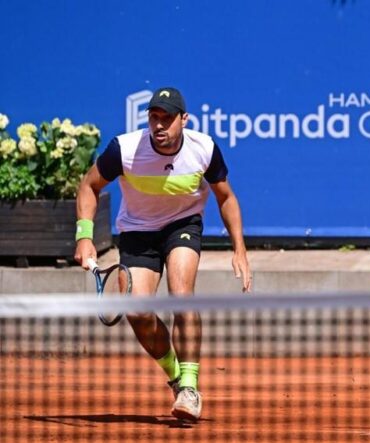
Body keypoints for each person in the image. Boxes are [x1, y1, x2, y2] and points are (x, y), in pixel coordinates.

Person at [74, 87, 252, 422]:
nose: (159, 125)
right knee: (138, 312)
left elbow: (226, 197)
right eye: (154, 117)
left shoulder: (204, 149)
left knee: (181, 296)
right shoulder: (124, 149)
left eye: (167, 118)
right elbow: (89, 186)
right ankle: (175, 376)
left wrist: (239, 249)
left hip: (182, 223)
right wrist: (84, 236)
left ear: (183, 120)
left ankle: (190, 386)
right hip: (137, 231)